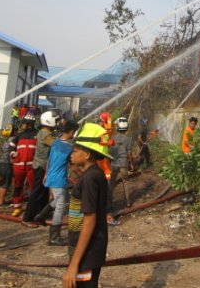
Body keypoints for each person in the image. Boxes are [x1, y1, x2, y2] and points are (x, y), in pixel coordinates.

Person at [63, 122, 112, 288]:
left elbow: (90, 220)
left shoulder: (90, 179)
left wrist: (73, 265)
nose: (72, 153)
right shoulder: (93, 175)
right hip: (87, 250)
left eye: (76, 151)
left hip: (87, 252)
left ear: (87, 155)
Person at [23, 110, 61, 227]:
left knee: (44, 194)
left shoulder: (49, 133)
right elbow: (56, 144)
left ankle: (40, 217)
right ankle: (27, 218)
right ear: (50, 121)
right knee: (36, 192)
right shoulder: (44, 133)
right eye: (56, 120)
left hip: (46, 167)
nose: (58, 123)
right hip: (41, 167)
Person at [42, 120, 77, 246]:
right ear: (72, 131)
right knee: (60, 206)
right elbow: (74, 164)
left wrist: (46, 174)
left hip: (51, 176)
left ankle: (41, 216)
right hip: (59, 179)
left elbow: (49, 159)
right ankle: (54, 237)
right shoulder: (68, 147)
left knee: (59, 199)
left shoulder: (56, 142)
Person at [9, 112, 38, 217]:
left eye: (23, 123)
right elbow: (11, 145)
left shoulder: (37, 135)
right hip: (19, 166)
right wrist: (13, 153)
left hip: (32, 167)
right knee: (17, 186)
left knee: (33, 188)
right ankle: (17, 207)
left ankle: (33, 209)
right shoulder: (19, 135)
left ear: (29, 123)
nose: (21, 125)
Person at [108, 117, 133, 221]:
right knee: (125, 182)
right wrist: (131, 163)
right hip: (124, 163)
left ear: (117, 128)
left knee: (111, 183)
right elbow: (129, 152)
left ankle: (109, 203)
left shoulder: (112, 137)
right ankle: (128, 202)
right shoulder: (128, 139)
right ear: (126, 128)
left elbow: (109, 151)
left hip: (114, 163)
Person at [0, 123, 16, 207]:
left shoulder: (7, 140)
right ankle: (0, 203)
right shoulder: (13, 139)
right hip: (6, 163)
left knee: (2, 183)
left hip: (0, 163)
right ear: (14, 132)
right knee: (6, 183)